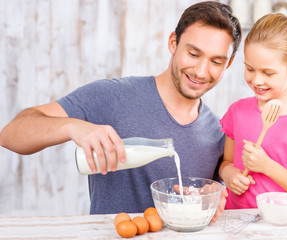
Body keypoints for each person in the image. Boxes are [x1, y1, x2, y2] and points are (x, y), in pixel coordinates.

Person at [0, 1, 242, 221]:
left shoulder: (217, 132)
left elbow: (222, 199)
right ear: (173, 43)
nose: (201, 71)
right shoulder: (114, 97)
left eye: (216, 62)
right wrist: (72, 126)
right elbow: (11, 134)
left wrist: (213, 199)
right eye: (193, 53)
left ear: (228, 64)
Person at [218, 13, 287, 210]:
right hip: (235, 224)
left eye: (268, 73)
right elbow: (226, 162)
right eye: (250, 69)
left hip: (281, 229)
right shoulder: (238, 112)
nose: (257, 80)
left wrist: (267, 166)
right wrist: (228, 174)